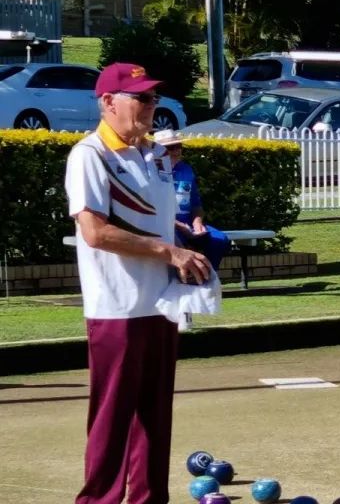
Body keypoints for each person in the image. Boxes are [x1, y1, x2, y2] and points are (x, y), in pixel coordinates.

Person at [67, 64, 212, 504]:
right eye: (141, 99)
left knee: (155, 416)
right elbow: (95, 232)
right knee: (113, 418)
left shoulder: (154, 155)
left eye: (154, 99)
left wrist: (184, 239)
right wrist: (168, 251)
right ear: (108, 102)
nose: (152, 107)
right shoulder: (90, 155)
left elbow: (156, 221)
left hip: (162, 303)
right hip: (117, 307)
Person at [153, 129, 232, 272]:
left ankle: (208, 278)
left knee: (219, 240)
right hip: (165, 227)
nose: (176, 151)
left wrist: (197, 223)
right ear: (158, 150)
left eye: (179, 146)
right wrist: (178, 225)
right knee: (179, 247)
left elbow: (196, 204)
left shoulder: (186, 170)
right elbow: (153, 210)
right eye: (171, 147)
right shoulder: (152, 172)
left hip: (189, 226)